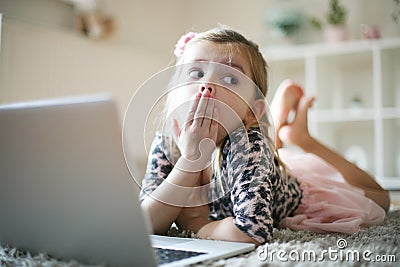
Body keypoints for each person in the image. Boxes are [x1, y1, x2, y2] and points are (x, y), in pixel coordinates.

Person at [139, 27, 390, 246]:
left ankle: (304, 140)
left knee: (380, 199)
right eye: (196, 73)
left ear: (251, 111)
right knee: (274, 156)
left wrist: (197, 226)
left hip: (297, 194)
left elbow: (251, 232)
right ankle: (284, 133)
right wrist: (190, 160)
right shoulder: (166, 143)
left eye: (229, 78)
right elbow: (145, 223)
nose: (208, 86)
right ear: (174, 91)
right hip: (267, 166)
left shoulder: (249, 146)